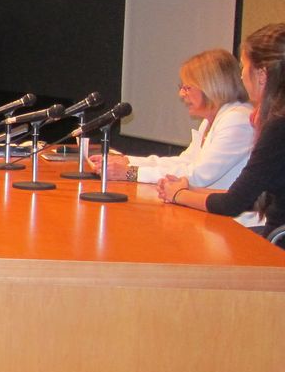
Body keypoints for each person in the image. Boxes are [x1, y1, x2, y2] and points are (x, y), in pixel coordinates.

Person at [157, 24, 285, 234]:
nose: (242, 76)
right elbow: (252, 197)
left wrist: (178, 195)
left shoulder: (277, 127)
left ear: (262, 75)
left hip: (276, 242)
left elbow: (232, 203)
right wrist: (188, 189)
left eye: (243, 67)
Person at [90, 49, 252, 196]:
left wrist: (130, 173)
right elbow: (185, 161)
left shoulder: (237, 120)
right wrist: (129, 161)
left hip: (231, 218)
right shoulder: (212, 120)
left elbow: (197, 176)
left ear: (211, 87)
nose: (181, 94)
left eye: (187, 88)